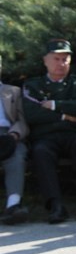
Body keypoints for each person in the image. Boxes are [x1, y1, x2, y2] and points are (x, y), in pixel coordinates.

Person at [23, 38, 76, 224]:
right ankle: (55, 206)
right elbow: (32, 114)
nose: (61, 63)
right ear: (45, 60)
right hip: (45, 137)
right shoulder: (33, 86)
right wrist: (65, 116)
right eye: (56, 59)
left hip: (74, 134)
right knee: (41, 153)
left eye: (65, 59)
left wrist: (55, 105)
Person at [0, 55, 30, 225]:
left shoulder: (13, 91)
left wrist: (13, 136)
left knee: (17, 155)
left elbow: (22, 120)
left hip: (8, 135)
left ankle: (13, 206)